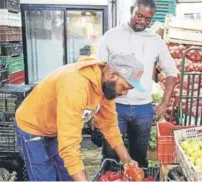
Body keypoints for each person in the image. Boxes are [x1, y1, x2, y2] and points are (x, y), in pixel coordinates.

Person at [15, 54, 145, 181]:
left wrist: (126, 160)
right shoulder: (75, 86)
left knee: (67, 173)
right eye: (124, 87)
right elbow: (69, 144)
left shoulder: (105, 86)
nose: (125, 93)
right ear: (112, 75)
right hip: (32, 128)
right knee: (44, 175)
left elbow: (109, 124)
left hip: (56, 128)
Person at [97, 0, 178, 167]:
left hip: (143, 109)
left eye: (148, 19)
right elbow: (99, 72)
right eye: (139, 15)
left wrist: (164, 104)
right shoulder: (111, 36)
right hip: (114, 106)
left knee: (139, 156)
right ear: (131, 10)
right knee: (111, 154)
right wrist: (98, 105)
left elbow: (172, 73)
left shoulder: (156, 41)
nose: (143, 21)